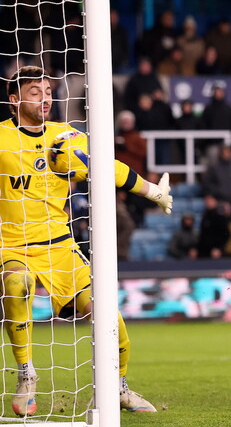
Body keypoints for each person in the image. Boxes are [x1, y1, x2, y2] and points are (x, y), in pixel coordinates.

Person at [1, 65, 173, 415]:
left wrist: (153, 191)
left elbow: (107, 166)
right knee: (17, 283)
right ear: (14, 100)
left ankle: (119, 387)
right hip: (13, 245)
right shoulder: (1, 137)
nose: (45, 98)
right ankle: (26, 374)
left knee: (109, 316)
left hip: (61, 246)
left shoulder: (65, 136)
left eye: (48, 92)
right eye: (35, 92)